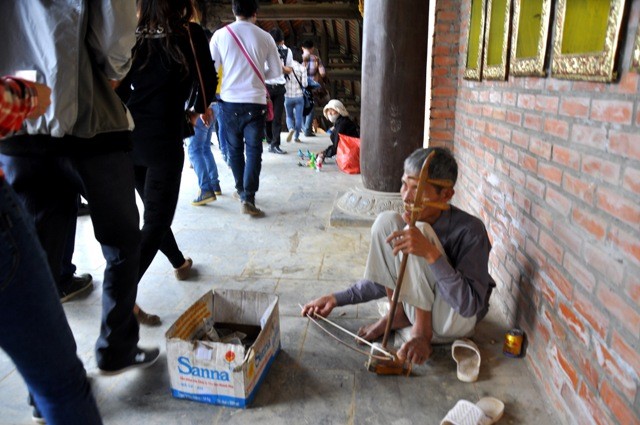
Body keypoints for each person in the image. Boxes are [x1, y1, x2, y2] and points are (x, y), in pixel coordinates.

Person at [0, 0, 160, 377]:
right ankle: (116, 346)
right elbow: (115, 34)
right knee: (122, 243)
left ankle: (50, 377)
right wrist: (116, 69)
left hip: (17, 125)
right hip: (90, 123)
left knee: (39, 261)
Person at [302, 147, 495, 365]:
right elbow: (390, 277)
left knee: (417, 231)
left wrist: (431, 253)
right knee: (387, 221)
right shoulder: (405, 219)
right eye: (404, 184)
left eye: (418, 189)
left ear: (446, 195)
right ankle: (398, 313)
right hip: (419, 311)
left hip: (452, 321)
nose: (406, 196)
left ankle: (421, 333)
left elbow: (469, 306)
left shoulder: (471, 230)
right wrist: (336, 298)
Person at [1, 75, 103, 424]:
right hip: (40, 146)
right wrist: (30, 94)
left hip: (18, 158)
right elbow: (15, 101)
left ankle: (64, 275)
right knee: (61, 384)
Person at [117, 0, 217, 325]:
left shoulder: (130, 36)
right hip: (163, 138)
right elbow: (205, 84)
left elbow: (116, 88)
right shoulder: (188, 34)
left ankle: (179, 263)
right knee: (157, 220)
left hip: (129, 136)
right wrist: (196, 108)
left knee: (154, 212)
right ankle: (121, 295)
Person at [209, 0, 283, 217]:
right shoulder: (265, 37)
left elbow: (211, 70)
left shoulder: (220, 36)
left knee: (234, 150)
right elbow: (276, 71)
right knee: (253, 151)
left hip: (229, 101)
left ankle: (241, 190)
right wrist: (258, 76)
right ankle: (248, 197)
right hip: (256, 101)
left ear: (233, 11)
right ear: (255, 13)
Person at [265, 28, 293, 155]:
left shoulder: (287, 51)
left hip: (280, 86)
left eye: (278, 43)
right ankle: (270, 140)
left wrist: (279, 67)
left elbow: (289, 69)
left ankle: (275, 144)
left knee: (277, 117)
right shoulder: (264, 49)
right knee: (266, 116)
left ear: (282, 41)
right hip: (266, 86)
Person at [301, 39, 326, 137]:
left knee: (301, 106)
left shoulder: (298, 58)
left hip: (300, 87)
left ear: (302, 48)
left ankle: (303, 128)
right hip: (312, 87)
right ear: (312, 49)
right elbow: (323, 73)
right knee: (310, 107)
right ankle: (307, 129)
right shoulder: (316, 59)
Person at [284, 47, 308, 144]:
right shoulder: (302, 68)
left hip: (287, 96)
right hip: (299, 97)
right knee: (298, 117)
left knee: (289, 116)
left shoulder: (286, 67)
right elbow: (305, 84)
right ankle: (296, 137)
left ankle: (290, 129)